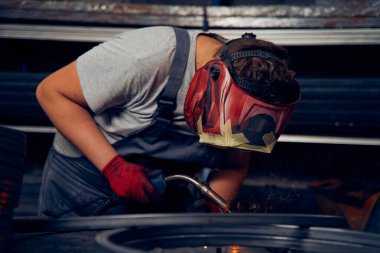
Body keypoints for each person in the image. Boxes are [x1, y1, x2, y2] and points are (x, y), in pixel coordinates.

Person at [36, 26, 300, 217]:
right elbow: (51, 92)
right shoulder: (146, 57)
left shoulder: (254, 96)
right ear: (210, 78)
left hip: (162, 191)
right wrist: (113, 167)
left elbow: (233, 165)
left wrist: (211, 215)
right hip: (87, 183)